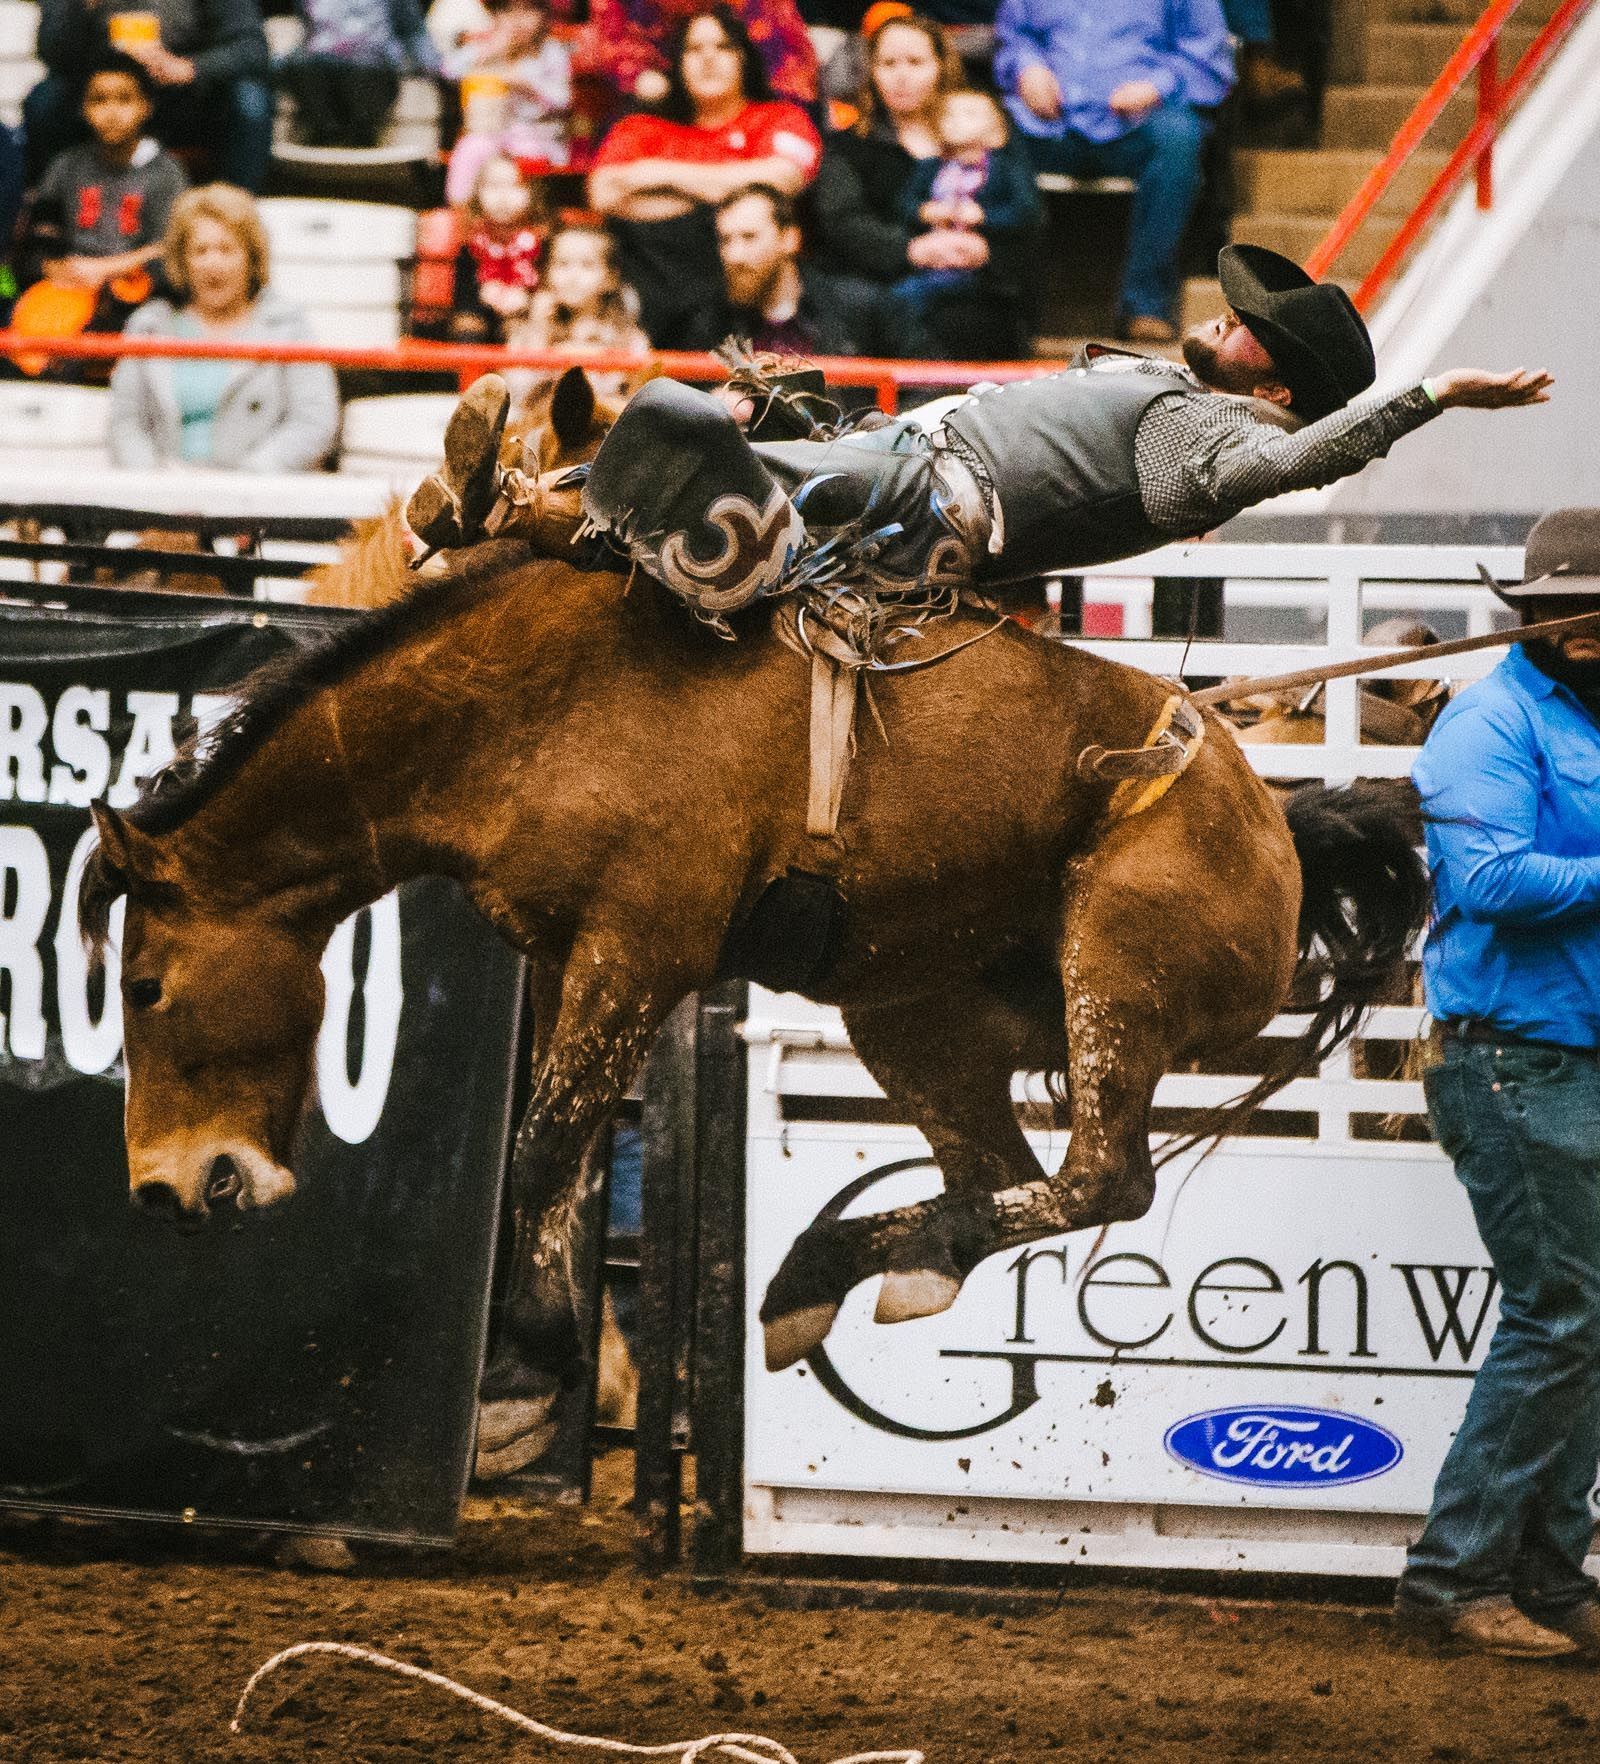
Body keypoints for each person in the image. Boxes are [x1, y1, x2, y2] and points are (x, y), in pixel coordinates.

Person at [406, 243, 1553, 637]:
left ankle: (511, 507)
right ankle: (504, 502)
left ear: (1284, 390)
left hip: (933, 503)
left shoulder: (1219, 445)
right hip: (908, 467)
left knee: (687, 422)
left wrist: (1432, 393)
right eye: (1242, 311)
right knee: (723, 419)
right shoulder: (1169, 390)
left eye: (1256, 332)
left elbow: (1309, 462)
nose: (1230, 319)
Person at [1393, 509, 1600, 1662]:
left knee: (1582, 1319)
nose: (1579, 629)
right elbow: (1489, 876)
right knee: (1564, 1313)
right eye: (1561, 611)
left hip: (1561, 1052)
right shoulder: (1490, 719)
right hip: (1512, 1057)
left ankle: (1544, 1574)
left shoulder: (1541, 719)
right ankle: (1456, 1577)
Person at [994, 0, 1234, 342]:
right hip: (1046, 124)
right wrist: (1026, 67)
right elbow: (1014, 36)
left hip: (1139, 123)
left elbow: (1207, 56)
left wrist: (1157, 86)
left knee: (1179, 139)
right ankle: (1005, 310)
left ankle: (1146, 305)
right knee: (984, 133)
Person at [586, 6, 821, 348]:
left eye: (723, 47)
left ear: (744, 58)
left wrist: (655, 172)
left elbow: (783, 178)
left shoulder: (781, 118)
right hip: (659, 295)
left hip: (755, 299)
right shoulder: (640, 127)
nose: (708, 59)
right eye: (694, 50)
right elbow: (604, 193)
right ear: (677, 64)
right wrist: (729, 185)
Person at [812, 13, 1034, 360]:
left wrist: (985, 251)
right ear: (871, 72)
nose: (901, 75)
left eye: (915, 62)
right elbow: (844, 224)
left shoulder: (986, 136)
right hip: (879, 291)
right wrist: (912, 250)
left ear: (941, 67)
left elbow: (1029, 218)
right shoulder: (848, 147)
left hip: (976, 291)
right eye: (888, 63)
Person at [108, 184, 341, 471]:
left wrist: (245, 481)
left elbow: (314, 422)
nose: (212, 263)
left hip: (259, 503)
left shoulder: (288, 327)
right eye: (200, 250)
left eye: (227, 249)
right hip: (161, 499)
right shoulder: (148, 327)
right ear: (182, 261)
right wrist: (154, 481)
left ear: (251, 258)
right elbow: (124, 422)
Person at [26, 0, 273, 192]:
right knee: (44, 100)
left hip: (185, 101)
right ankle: (49, 217)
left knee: (250, 100)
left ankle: (235, 215)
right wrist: (81, 10)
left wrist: (190, 68)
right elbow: (50, 51)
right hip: (102, 97)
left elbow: (251, 48)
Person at [15, 53, 186, 327]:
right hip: (71, 289)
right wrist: (57, 268)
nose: (112, 112)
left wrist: (104, 269)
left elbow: (168, 248)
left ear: (146, 106)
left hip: (137, 292)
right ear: (84, 108)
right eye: (99, 100)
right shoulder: (66, 165)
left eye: (124, 99)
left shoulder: (166, 171)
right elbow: (40, 239)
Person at [892, 87, 1038, 335]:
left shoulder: (1004, 169)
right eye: (949, 114)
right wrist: (925, 211)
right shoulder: (931, 167)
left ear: (998, 132)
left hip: (985, 271)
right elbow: (904, 204)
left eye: (969, 114)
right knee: (903, 299)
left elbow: (1027, 212)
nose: (956, 120)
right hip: (932, 262)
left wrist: (984, 216)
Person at [687, 182, 892, 356]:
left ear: (790, 239)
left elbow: (916, 389)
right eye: (725, 240)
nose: (734, 255)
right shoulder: (711, 323)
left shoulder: (856, 307)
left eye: (749, 237)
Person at [576, 0, 817, 114]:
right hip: (663, 97)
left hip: (759, 100)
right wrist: (640, 77)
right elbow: (613, 38)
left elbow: (786, 66)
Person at [443, 0, 572, 200]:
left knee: (521, 154)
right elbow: (447, 71)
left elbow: (564, 100)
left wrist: (529, 86)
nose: (518, 20)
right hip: (491, 133)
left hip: (539, 138)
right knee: (472, 147)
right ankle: (464, 214)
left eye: (527, 11)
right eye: (508, 11)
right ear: (495, 16)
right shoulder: (487, 47)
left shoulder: (551, 51)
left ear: (543, 15)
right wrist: (490, 52)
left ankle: (521, 217)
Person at [505, 222, 649, 399]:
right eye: (562, 264)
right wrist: (539, 329)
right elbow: (517, 392)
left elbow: (633, 397)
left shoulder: (627, 337)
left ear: (611, 277)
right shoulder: (529, 330)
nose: (572, 277)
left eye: (587, 265)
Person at [277, 0, 443, 149]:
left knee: (361, 71)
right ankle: (331, 135)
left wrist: (435, 68)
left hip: (372, 72)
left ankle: (357, 136)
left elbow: (413, 29)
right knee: (302, 66)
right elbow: (307, 34)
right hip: (320, 71)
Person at [448, 152, 549, 339]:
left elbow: (547, 288)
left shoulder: (541, 241)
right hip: (481, 314)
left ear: (533, 192)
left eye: (515, 186)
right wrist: (483, 294)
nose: (503, 196)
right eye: (493, 186)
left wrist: (526, 299)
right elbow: (464, 297)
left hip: (525, 314)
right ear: (477, 192)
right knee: (467, 328)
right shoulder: (471, 243)